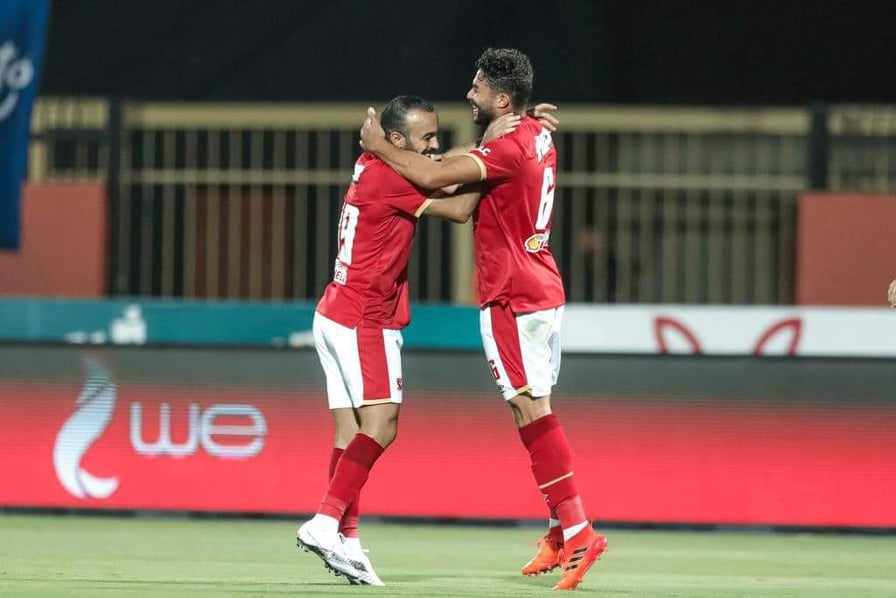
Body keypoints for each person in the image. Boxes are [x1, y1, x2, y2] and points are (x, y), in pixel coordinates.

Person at [359, 48, 607, 591]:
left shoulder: (507, 147)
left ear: (500, 98)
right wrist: (510, 126)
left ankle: (578, 529)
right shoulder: (535, 134)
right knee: (534, 409)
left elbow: (432, 174)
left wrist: (378, 146)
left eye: (477, 88)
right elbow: (475, 165)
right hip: (542, 287)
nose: (468, 94)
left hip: (511, 297)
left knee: (531, 412)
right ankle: (559, 531)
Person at [296, 94, 536, 586]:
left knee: (349, 435)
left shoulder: (376, 164)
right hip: (366, 318)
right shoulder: (394, 176)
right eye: (426, 137)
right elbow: (462, 206)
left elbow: (437, 165)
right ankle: (324, 522)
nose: (434, 144)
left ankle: (348, 541)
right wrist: (492, 153)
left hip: (334, 311)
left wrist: (477, 145)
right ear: (396, 139)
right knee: (382, 427)